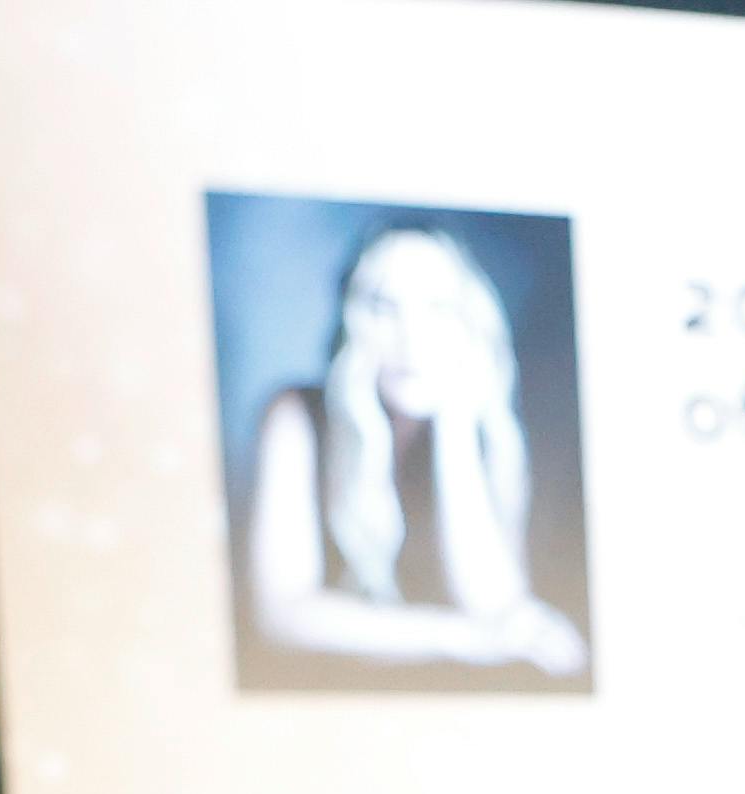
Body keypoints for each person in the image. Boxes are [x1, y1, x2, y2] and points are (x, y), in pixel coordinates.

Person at [242, 227, 584, 675]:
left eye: (438, 309)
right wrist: (459, 638)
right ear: (351, 319)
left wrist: (455, 427)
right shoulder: (296, 416)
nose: (411, 336)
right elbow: (282, 615)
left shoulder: (490, 435)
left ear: (470, 323)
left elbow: (496, 607)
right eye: (384, 307)